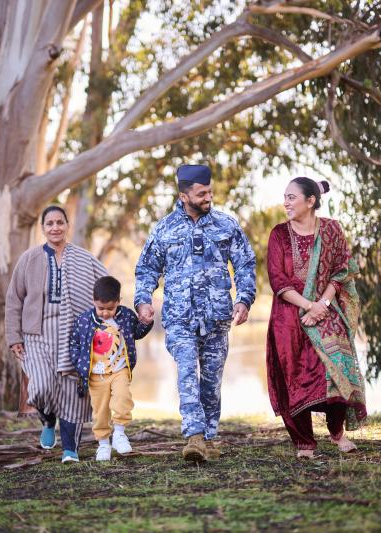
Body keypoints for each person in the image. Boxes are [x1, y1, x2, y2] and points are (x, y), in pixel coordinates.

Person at [134, 164, 256, 462]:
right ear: (183, 196)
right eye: (202, 193)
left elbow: (245, 263)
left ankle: (209, 437)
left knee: (211, 384)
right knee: (187, 373)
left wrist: (244, 299)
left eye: (210, 192)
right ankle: (195, 436)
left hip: (217, 317)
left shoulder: (226, 225)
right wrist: (143, 300)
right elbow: (147, 268)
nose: (208, 197)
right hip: (179, 318)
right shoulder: (164, 229)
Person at [265, 177, 367, 458]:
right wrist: (308, 306)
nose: (285, 203)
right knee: (293, 375)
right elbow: (277, 279)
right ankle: (304, 442)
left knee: (337, 367)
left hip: (326, 310)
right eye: (284, 197)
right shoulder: (279, 234)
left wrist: (322, 304)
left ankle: (337, 432)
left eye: (291, 197)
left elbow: (341, 269)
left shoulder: (332, 229)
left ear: (310, 201)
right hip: (289, 315)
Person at [5, 205, 108, 463]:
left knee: (73, 390)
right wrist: (14, 337)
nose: (55, 228)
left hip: (74, 334)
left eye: (60, 222)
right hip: (37, 333)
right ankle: (48, 419)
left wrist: (110, 320)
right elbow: (14, 299)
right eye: (49, 223)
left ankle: (70, 449)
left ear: (67, 225)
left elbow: (107, 284)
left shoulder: (84, 258)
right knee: (40, 386)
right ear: (42, 228)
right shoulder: (29, 259)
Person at [69, 276, 153, 461]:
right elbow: (74, 342)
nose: (105, 313)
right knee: (100, 412)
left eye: (110, 308)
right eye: (101, 308)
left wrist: (146, 323)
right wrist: (79, 362)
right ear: (93, 301)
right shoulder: (84, 320)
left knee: (123, 399)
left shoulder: (126, 316)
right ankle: (103, 444)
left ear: (118, 302)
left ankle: (119, 434)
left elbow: (137, 333)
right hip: (95, 375)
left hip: (119, 370)